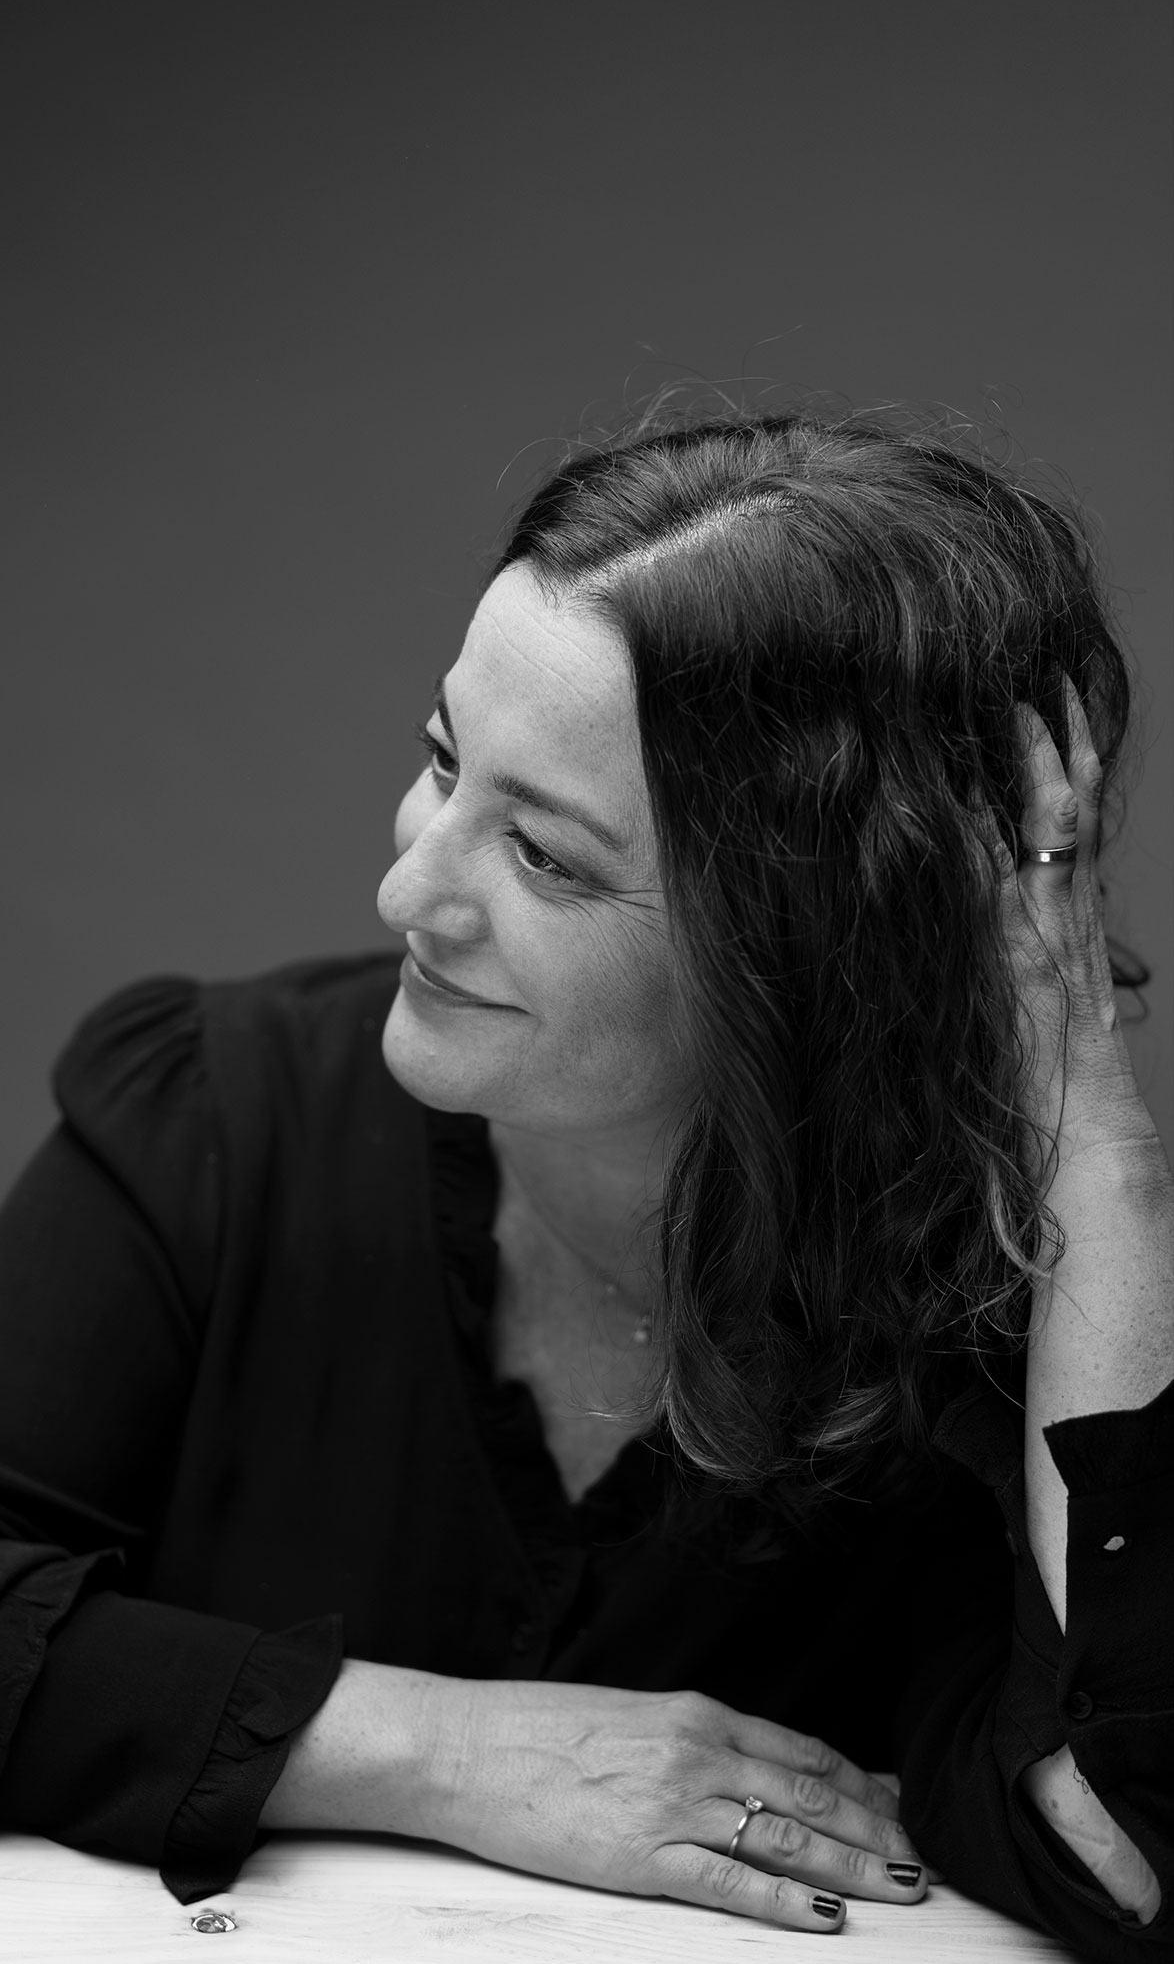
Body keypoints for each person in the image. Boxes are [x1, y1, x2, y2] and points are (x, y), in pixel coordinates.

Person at [0, 410, 1170, 1960]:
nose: (409, 884)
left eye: (545, 858)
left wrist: (1096, 1122)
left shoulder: (984, 1322)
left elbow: (1121, 1851)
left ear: (805, 958)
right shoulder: (214, 1114)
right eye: (441, 763)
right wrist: (449, 1754)